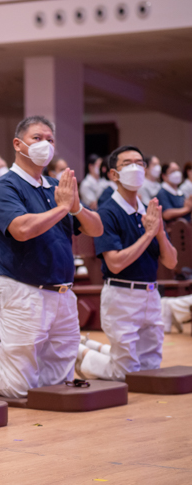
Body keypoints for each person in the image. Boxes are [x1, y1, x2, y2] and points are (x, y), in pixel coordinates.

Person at [0, 116, 103, 398]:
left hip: (62, 292)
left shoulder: (55, 186)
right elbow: (22, 229)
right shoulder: (6, 186)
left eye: (50, 140)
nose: (45, 145)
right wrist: (63, 208)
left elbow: (95, 228)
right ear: (18, 144)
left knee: (57, 384)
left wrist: (75, 207)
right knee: (18, 387)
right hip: (23, 290)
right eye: (37, 138)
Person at [76, 146, 177, 380]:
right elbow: (115, 263)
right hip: (122, 295)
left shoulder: (148, 211)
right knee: (125, 373)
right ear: (113, 175)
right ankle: (80, 354)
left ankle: (97, 349)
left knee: (150, 369)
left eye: (140, 163)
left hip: (151, 295)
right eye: (128, 164)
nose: (136, 168)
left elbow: (171, 262)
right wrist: (148, 235)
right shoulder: (108, 212)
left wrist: (159, 232)